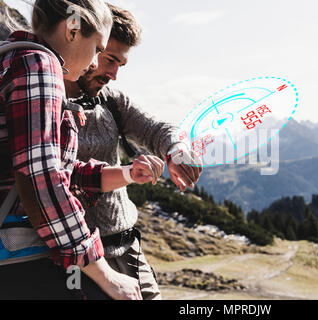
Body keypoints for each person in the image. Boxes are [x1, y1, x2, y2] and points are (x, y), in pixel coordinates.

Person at [0, 0, 164, 300]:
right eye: (98, 49)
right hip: (19, 262)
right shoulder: (40, 65)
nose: (93, 63)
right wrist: (106, 275)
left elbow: (44, 165)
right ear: (72, 30)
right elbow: (42, 179)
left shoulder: (12, 58)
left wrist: (125, 172)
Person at [64, 3, 203, 300]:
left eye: (120, 65)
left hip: (127, 248)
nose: (113, 74)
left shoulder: (111, 101)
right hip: (76, 262)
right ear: (89, 43)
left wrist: (176, 148)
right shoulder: (44, 101)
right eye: (109, 59)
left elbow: (156, 128)